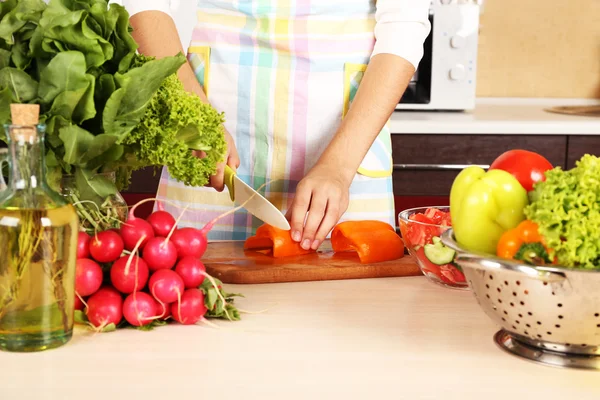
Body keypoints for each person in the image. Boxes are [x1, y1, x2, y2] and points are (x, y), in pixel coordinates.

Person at [123, 0, 431, 250]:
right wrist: (194, 115)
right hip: (212, 137)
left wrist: (338, 167)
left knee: (346, 310)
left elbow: (404, 25)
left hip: (345, 149)